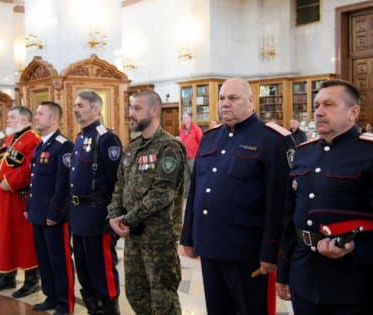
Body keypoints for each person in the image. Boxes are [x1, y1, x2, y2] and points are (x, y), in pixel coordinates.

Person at [180, 78, 295, 315]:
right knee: (218, 309)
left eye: (233, 98)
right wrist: (189, 236)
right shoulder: (211, 137)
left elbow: (279, 202)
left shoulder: (272, 139)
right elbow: (196, 191)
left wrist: (271, 252)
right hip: (211, 245)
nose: (225, 104)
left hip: (248, 250)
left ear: (251, 101)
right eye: (222, 98)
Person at [276, 79, 373, 314]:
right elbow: (289, 218)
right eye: (317, 105)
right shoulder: (303, 153)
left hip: (352, 281)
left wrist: (354, 250)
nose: (319, 111)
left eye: (329, 105)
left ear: (353, 113)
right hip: (304, 274)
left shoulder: (368, 153)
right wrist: (284, 271)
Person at [108, 91, 186, 315]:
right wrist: (113, 215)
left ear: (153, 111)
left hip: (158, 238)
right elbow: (119, 186)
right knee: (135, 293)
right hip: (133, 236)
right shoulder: (132, 147)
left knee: (163, 298)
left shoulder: (168, 147)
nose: (131, 114)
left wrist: (127, 218)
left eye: (136, 109)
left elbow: (162, 193)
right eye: (130, 108)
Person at [70, 90, 122, 315]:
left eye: (80, 105)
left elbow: (116, 181)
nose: (75, 109)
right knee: (84, 268)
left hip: (97, 214)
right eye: (75, 105)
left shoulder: (106, 138)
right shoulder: (80, 137)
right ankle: (93, 307)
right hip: (79, 214)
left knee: (101, 269)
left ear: (95, 109)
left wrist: (113, 214)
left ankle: (109, 309)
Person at [0, 105, 40, 298]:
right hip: (1, 195)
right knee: (3, 234)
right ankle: (6, 273)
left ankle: (31, 280)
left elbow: (31, 168)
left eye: (12, 117)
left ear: (25, 120)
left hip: (17, 196)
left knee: (22, 239)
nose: (8, 120)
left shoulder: (33, 139)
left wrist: (10, 181)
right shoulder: (10, 138)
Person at [25, 102, 74, 315]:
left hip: (54, 216)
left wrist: (55, 213)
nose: (36, 117)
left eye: (40, 114)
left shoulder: (63, 145)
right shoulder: (41, 144)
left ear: (53, 118)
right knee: (43, 258)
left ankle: (64, 302)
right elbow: (34, 180)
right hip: (37, 213)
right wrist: (29, 206)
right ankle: (50, 295)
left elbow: (63, 185)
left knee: (59, 259)